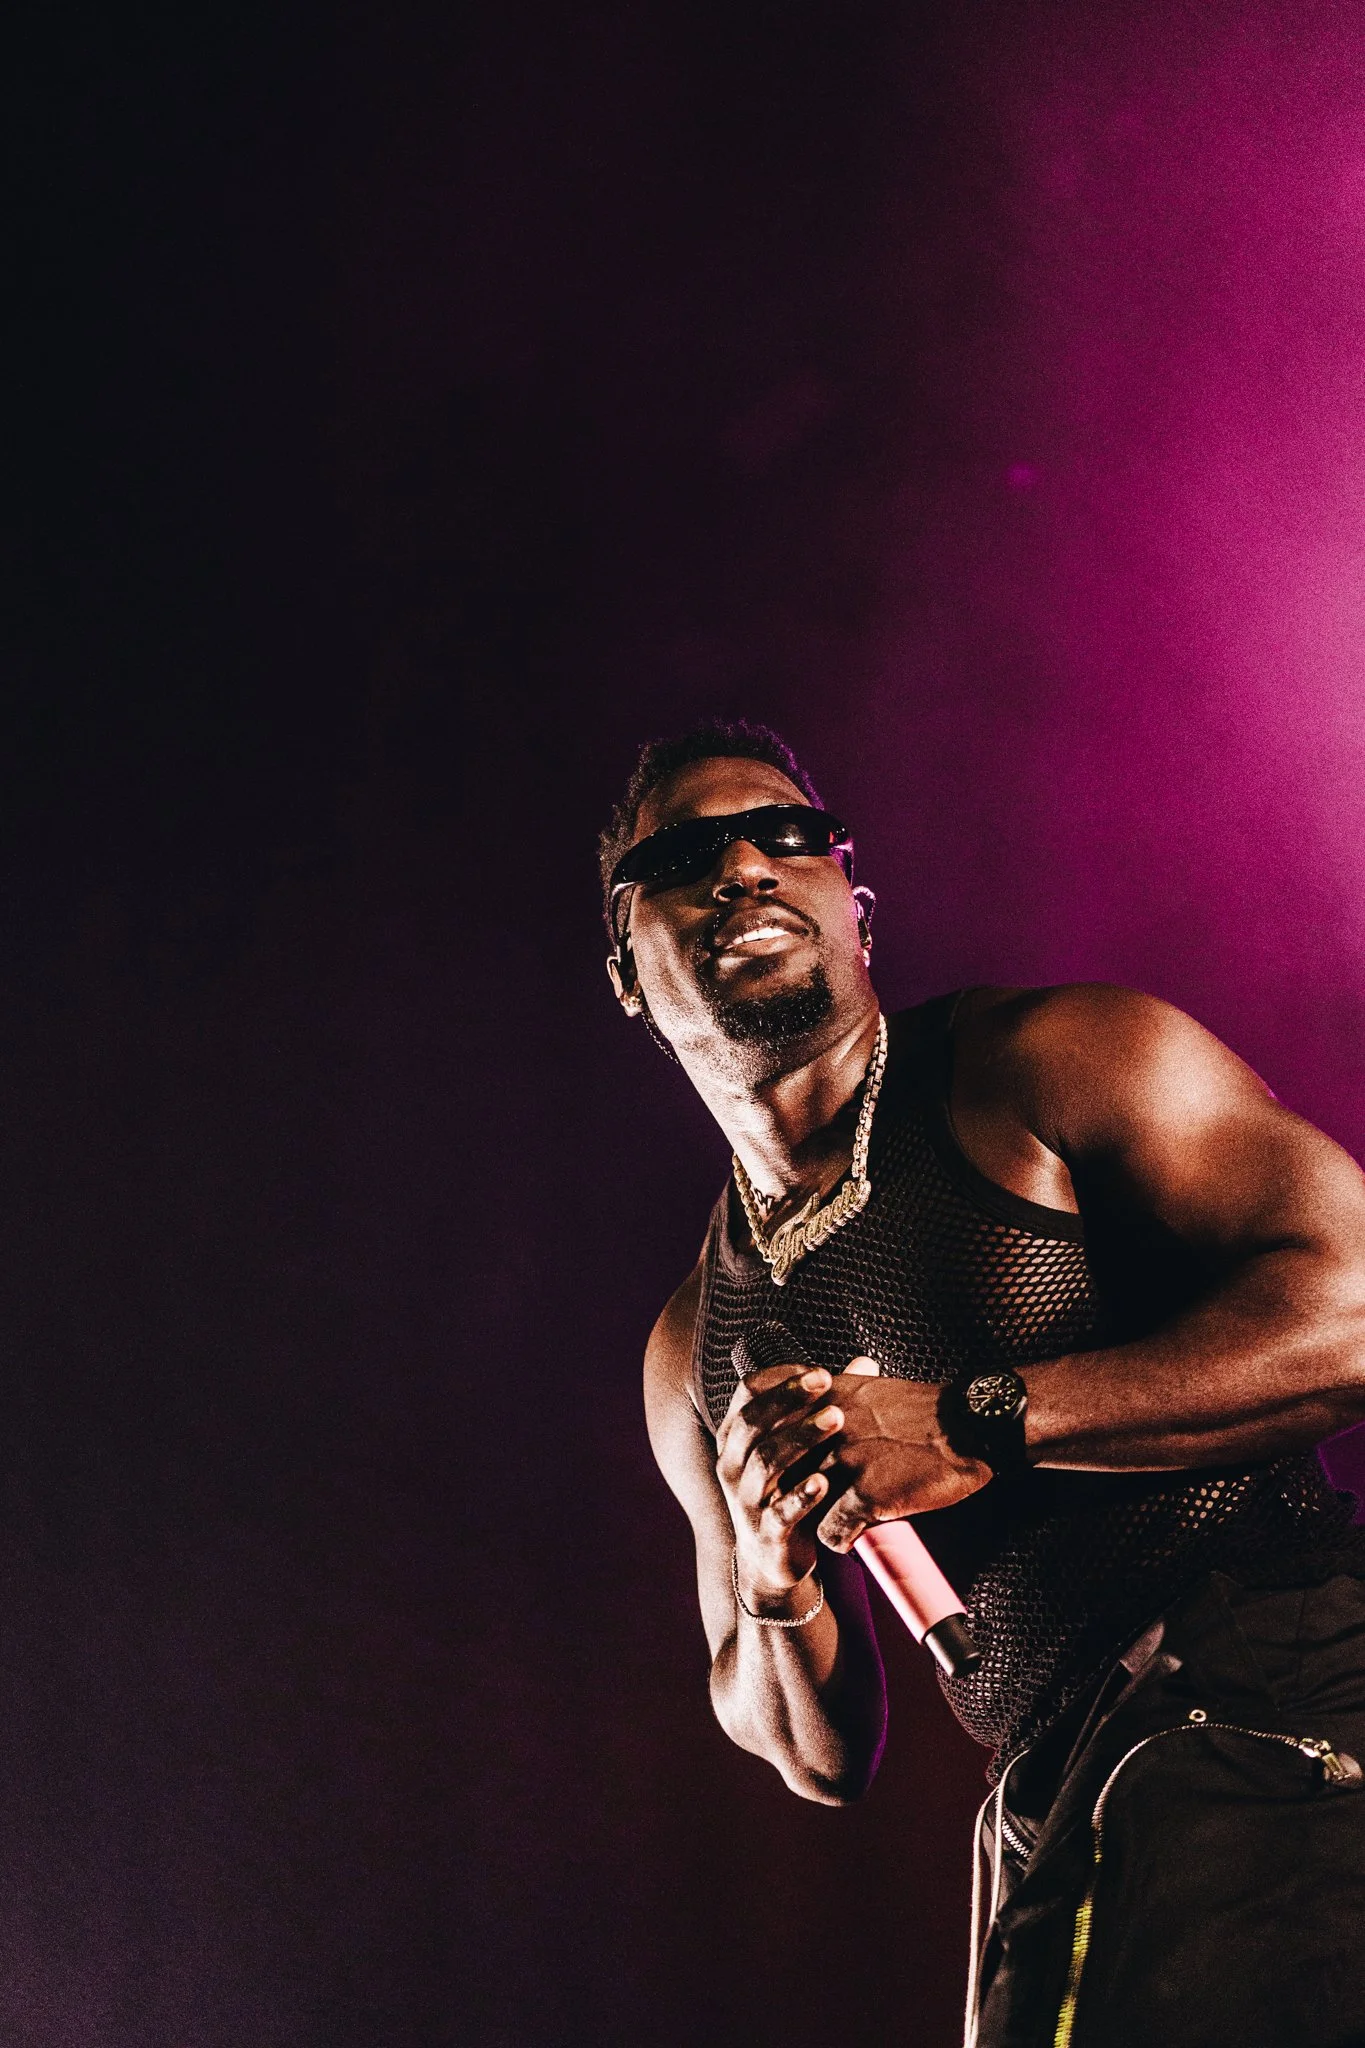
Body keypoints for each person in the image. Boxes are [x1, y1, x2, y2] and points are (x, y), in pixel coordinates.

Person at [600, 719, 1365, 2048]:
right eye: (685, 853)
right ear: (625, 966)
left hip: (1279, 1682)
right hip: (1047, 1790)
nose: (743, 868)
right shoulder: (694, 1352)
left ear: (858, 908)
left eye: (785, 834)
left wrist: (969, 1421)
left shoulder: (1052, 1065)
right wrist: (778, 1587)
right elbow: (813, 1754)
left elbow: (1354, 1306)